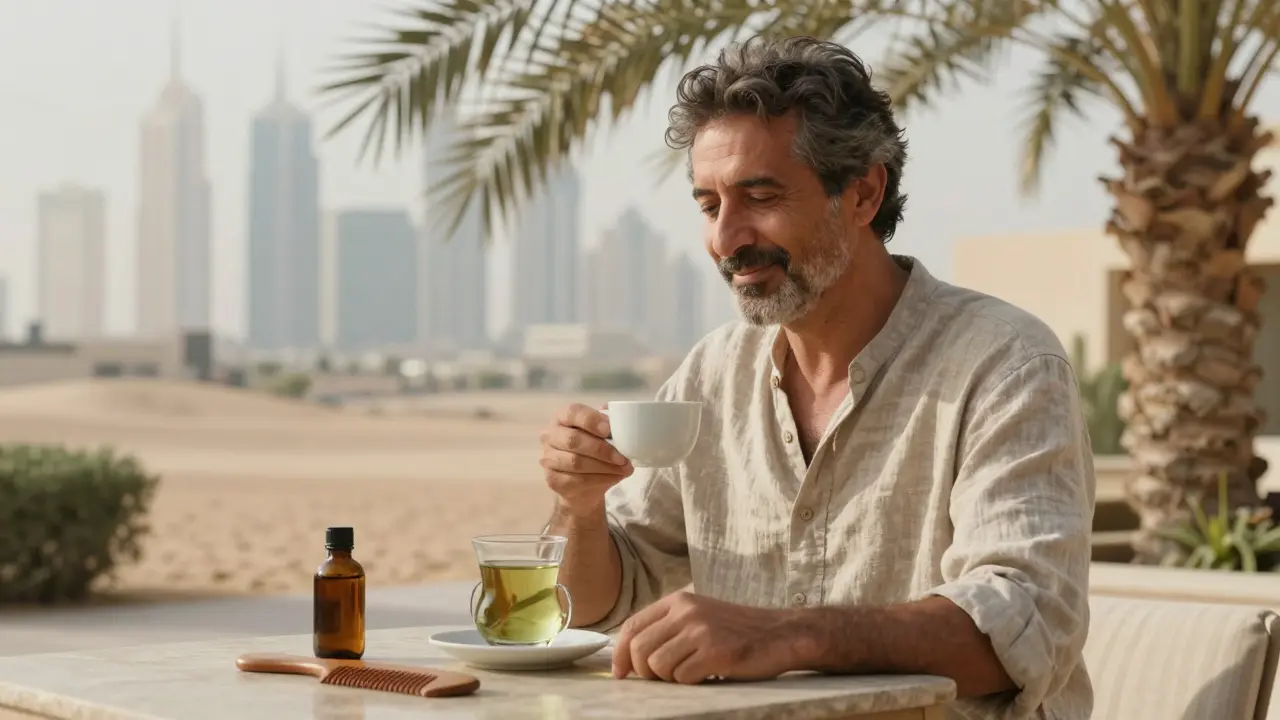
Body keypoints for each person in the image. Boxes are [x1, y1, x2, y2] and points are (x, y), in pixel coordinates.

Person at [538, 35, 1094, 720]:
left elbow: (1021, 625)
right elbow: (595, 603)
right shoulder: (710, 376)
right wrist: (579, 507)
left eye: (760, 196)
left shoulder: (1005, 364)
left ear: (862, 192)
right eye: (710, 206)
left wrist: (783, 634)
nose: (726, 238)